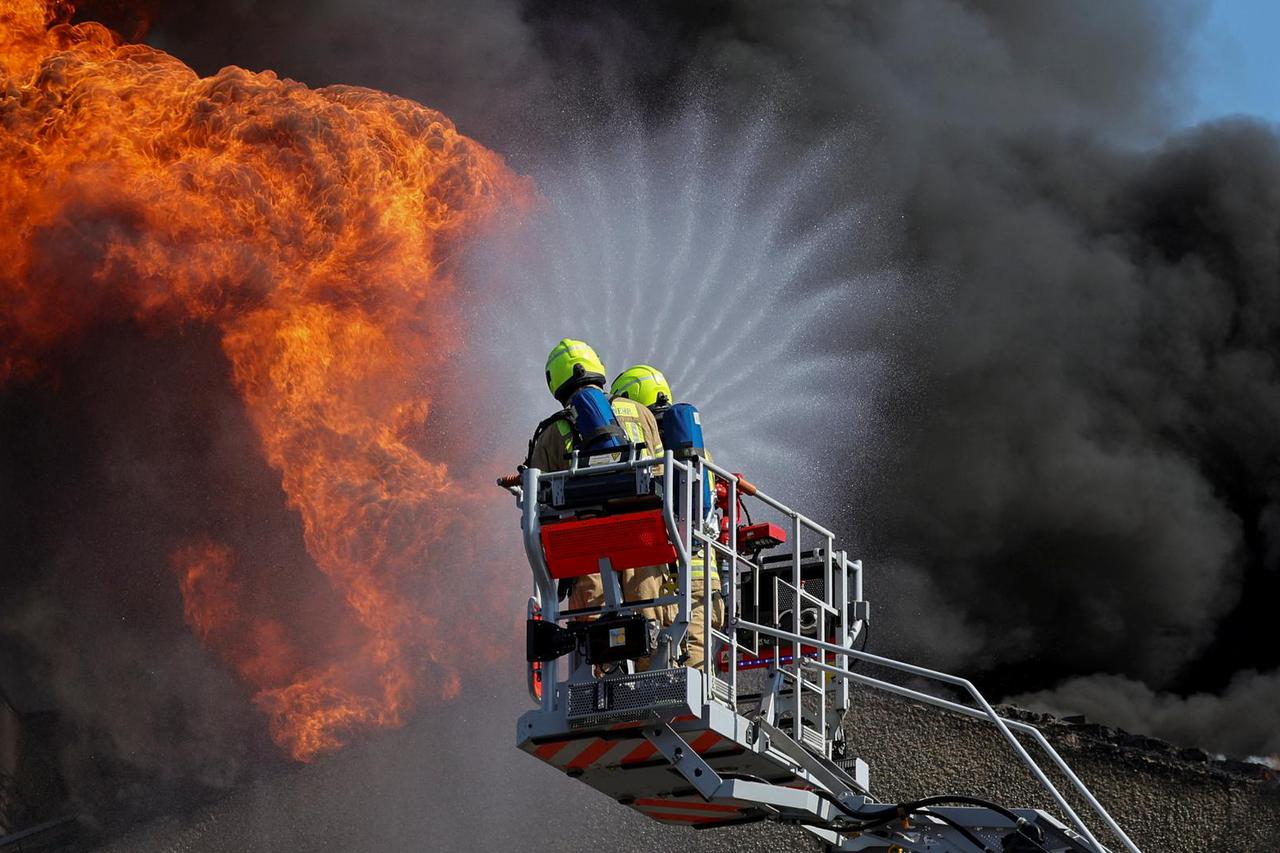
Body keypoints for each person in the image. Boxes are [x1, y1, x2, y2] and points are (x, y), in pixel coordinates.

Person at [526, 340, 667, 667]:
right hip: (645, 542)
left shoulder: (550, 433)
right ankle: (656, 675)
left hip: (585, 551)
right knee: (652, 619)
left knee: (593, 633)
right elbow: (665, 478)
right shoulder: (641, 414)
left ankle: (601, 685)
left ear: (555, 381)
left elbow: (538, 503)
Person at [610, 364, 725, 670]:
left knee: (652, 664)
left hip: (657, 574)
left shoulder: (649, 455)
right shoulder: (701, 454)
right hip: (703, 579)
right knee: (695, 670)